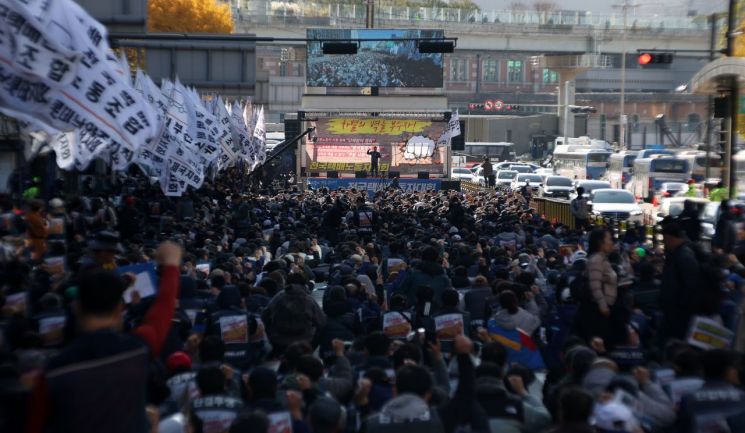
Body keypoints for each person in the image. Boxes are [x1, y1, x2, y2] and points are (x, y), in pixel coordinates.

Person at [26, 241, 182, 433]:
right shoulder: (137, 349)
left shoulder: (52, 371)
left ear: (77, 306)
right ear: (119, 307)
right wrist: (172, 264)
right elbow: (162, 311)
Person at [574, 228, 619, 346]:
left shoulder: (601, 259)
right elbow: (595, 285)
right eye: (609, 239)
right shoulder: (597, 259)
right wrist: (603, 306)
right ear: (600, 242)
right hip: (597, 311)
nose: (611, 242)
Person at [660, 222, 701, 341]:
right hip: (675, 307)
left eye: (665, 240)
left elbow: (690, 284)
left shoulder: (684, 255)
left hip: (679, 310)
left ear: (670, 238)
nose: (665, 243)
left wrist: (680, 305)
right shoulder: (677, 253)